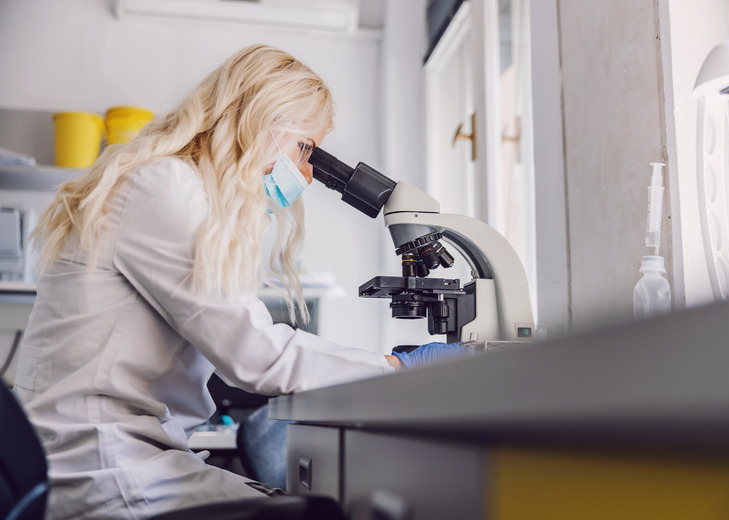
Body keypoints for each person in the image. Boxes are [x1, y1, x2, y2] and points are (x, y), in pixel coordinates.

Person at [12, 44, 465, 519]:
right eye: (305, 148)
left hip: (116, 459)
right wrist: (398, 369)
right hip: (105, 470)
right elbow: (256, 356)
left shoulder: (169, 186)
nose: (308, 175)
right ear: (262, 121)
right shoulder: (167, 188)